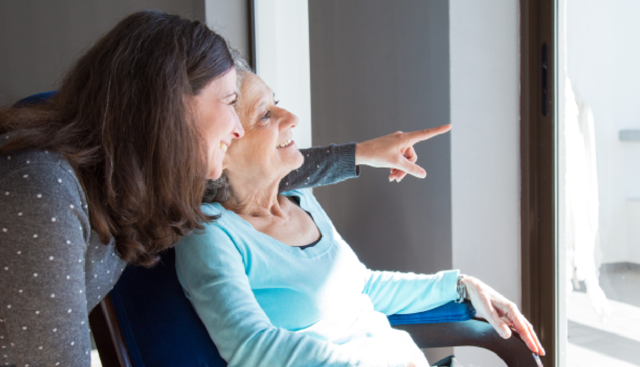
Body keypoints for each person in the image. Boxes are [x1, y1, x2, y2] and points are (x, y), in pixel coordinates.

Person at [0, 10, 450, 366]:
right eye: (232, 103)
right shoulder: (44, 193)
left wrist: (363, 153)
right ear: (171, 105)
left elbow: (259, 175)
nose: (237, 128)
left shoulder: (137, 188)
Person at [175, 71, 546, 367]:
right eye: (265, 115)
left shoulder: (300, 199)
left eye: (278, 105)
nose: (291, 119)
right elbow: (253, 349)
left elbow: (362, 288)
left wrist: (460, 286)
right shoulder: (211, 233)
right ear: (222, 144)